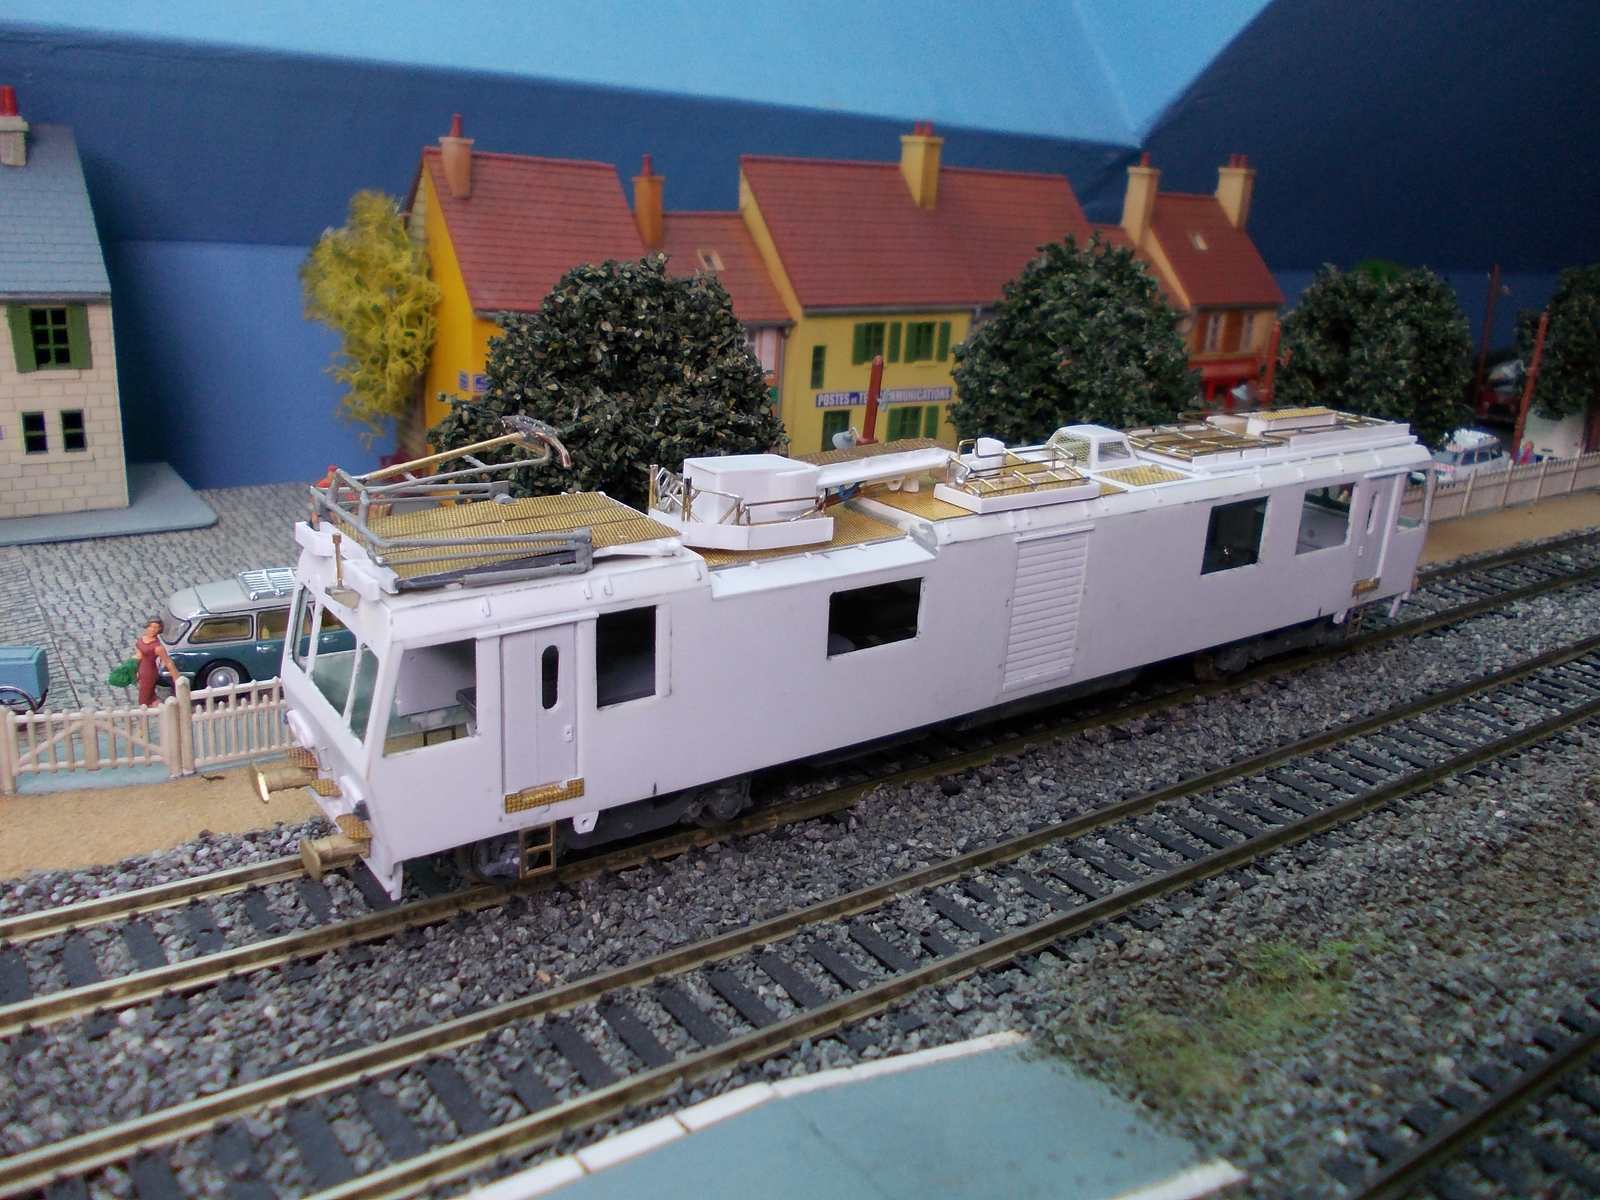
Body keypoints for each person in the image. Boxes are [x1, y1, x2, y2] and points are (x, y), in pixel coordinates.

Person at [135, 617, 181, 707]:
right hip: (141, 669)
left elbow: (168, 662)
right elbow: (138, 655)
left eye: (156, 627)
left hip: (149, 673)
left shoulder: (158, 647)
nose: (153, 629)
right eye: (151, 627)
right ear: (147, 626)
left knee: (144, 698)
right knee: (150, 695)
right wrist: (133, 668)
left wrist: (176, 678)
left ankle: (150, 711)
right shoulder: (143, 639)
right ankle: (161, 708)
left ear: (159, 629)